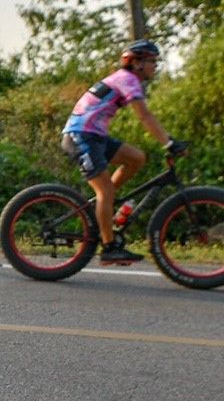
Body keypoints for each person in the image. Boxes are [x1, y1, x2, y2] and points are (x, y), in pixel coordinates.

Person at [61, 40, 187, 265]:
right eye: (152, 61)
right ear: (137, 63)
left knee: (137, 158)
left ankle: (107, 204)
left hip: (94, 135)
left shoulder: (127, 79)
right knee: (105, 191)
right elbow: (144, 116)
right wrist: (168, 143)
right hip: (81, 136)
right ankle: (109, 248)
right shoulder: (128, 79)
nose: (155, 67)